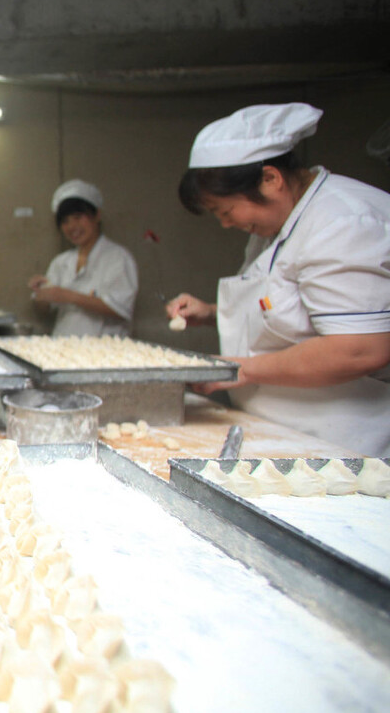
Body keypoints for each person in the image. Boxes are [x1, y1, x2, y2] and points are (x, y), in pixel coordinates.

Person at [166, 103, 390, 456]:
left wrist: (238, 370)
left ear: (271, 179)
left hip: (347, 445)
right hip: (282, 430)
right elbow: (290, 307)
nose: (226, 224)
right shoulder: (276, 224)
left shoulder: (343, 222)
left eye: (226, 211)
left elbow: (360, 348)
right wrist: (210, 311)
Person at [28, 179, 139, 336]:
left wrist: (69, 296)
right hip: (62, 348)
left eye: (78, 217)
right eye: (65, 221)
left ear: (97, 215)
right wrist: (41, 294)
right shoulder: (61, 262)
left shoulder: (118, 258)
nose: (72, 227)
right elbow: (44, 311)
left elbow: (121, 308)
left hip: (105, 352)